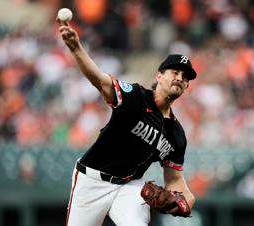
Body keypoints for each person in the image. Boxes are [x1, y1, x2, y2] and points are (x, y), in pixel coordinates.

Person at [58, 19, 196, 226]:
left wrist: (187, 202)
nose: (180, 78)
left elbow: (175, 181)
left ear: (186, 87)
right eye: (175, 72)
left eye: (185, 77)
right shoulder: (135, 97)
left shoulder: (177, 134)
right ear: (159, 75)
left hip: (130, 186)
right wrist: (76, 48)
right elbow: (99, 80)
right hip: (92, 181)